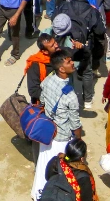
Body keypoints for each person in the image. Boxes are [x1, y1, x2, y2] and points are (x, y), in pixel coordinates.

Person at [30, 50, 82, 200]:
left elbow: (42, 99)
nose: (72, 63)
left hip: (47, 132)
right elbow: (75, 123)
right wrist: (78, 142)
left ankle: (38, 194)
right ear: (61, 68)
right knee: (61, 172)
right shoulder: (70, 96)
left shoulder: (48, 80)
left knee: (43, 164)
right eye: (68, 62)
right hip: (62, 138)